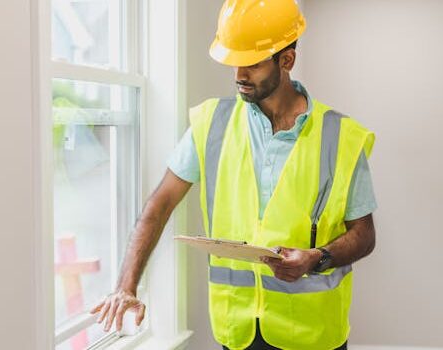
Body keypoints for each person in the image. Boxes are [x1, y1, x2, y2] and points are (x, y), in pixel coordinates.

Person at [91, 1, 377, 349]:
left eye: (252, 63)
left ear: (286, 61)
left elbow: (363, 234)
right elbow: (159, 205)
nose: (239, 75)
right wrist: (126, 286)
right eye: (234, 63)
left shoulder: (342, 137)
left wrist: (318, 258)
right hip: (236, 331)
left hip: (313, 334)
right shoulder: (212, 123)